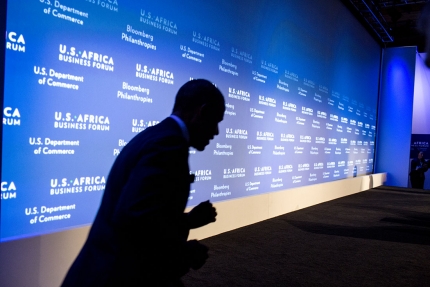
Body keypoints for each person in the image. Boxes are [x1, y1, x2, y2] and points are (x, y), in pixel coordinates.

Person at [62, 79, 225, 287]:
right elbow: (134, 223)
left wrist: (188, 221)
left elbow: (144, 214)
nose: (217, 132)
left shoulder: (155, 136)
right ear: (202, 112)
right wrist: (184, 253)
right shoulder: (169, 145)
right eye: (216, 121)